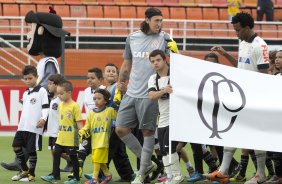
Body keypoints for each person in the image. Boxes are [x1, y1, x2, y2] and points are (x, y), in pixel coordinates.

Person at [115, 7, 179, 184]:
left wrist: (175, 50)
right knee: (120, 129)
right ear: (147, 20)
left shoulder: (165, 38)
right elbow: (127, 62)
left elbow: (178, 62)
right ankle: (149, 163)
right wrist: (121, 82)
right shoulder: (132, 37)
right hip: (130, 93)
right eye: (157, 20)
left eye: (161, 20)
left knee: (148, 132)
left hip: (151, 93)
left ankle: (141, 174)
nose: (160, 24)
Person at [0, 7, 68, 172]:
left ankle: (74, 158)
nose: (27, 34)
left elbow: (50, 80)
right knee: (31, 132)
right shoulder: (45, 60)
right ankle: (20, 160)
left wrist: (35, 93)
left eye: (30, 29)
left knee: (47, 138)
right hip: (43, 102)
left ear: (41, 32)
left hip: (46, 104)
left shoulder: (49, 60)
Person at [206, 12, 269, 184]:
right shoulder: (242, 42)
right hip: (240, 97)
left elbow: (264, 75)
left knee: (256, 136)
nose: (236, 33)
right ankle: (223, 170)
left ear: (247, 28)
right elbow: (241, 67)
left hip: (254, 99)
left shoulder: (260, 46)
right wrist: (225, 54)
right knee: (232, 131)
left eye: (238, 30)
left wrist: (256, 98)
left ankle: (260, 174)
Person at [147, 49, 183, 184]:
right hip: (162, 118)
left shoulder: (175, 74)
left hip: (176, 117)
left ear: (164, 59)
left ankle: (177, 175)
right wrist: (164, 90)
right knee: (163, 150)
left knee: (170, 148)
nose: (155, 63)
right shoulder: (152, 78)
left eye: (158, 60)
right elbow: (151, 96)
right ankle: (169, 177)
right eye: (152, 61)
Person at [11, 65, 49, 182]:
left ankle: (31, 175)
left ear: (37, 77)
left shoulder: (42, 91)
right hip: (22, 126)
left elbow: (46, 107)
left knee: (31, 151)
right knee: (16, 146)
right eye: (25, 79)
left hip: (34, 127)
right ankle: (24, 170)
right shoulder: (26, 92)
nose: (27, 81)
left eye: (30, 78)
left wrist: (43, 119)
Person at [41, 80, 83, 184]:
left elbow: (79, 123)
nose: (59, 96)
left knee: (73, 157)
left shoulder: (75, 106)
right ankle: (55, 176)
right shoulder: (61, 105)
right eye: (58, 93)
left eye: (61, 93)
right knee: (56, 154)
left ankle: (76, 178)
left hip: (71, 138)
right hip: (61, 137)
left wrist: (82, 135)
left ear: (69, 92)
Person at [104, 63, 135, 182]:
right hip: (112, 124)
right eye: (108, 71)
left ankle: (101, 173)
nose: (111, 73)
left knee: (109, 149)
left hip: (118, 123)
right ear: (104, 75)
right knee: (118, 152)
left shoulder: (118, 87)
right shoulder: (106, 89)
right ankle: (127, 175)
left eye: (113, 71)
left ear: (117, 76)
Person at [80, 89, 117, 184]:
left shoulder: (110, 111)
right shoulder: (91, 113)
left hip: (103, 142)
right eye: (94, 98)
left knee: (96, 160)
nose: (96, 100)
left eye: (99, 98)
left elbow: (119, 117)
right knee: (100, 161)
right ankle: (108, 175)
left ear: (105, 100)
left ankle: (94, 179)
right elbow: (87, 126)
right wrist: (82, 131)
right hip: (94, 141)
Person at [45, 74, 75, 174]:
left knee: (57, 151)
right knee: (53, 151)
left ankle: (74, 162)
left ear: (57, 85)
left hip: (58, 131)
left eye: (50, 84)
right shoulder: (53, 98)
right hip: (52, 130)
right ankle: (56, 171)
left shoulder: (60, 100)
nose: (48, 85)